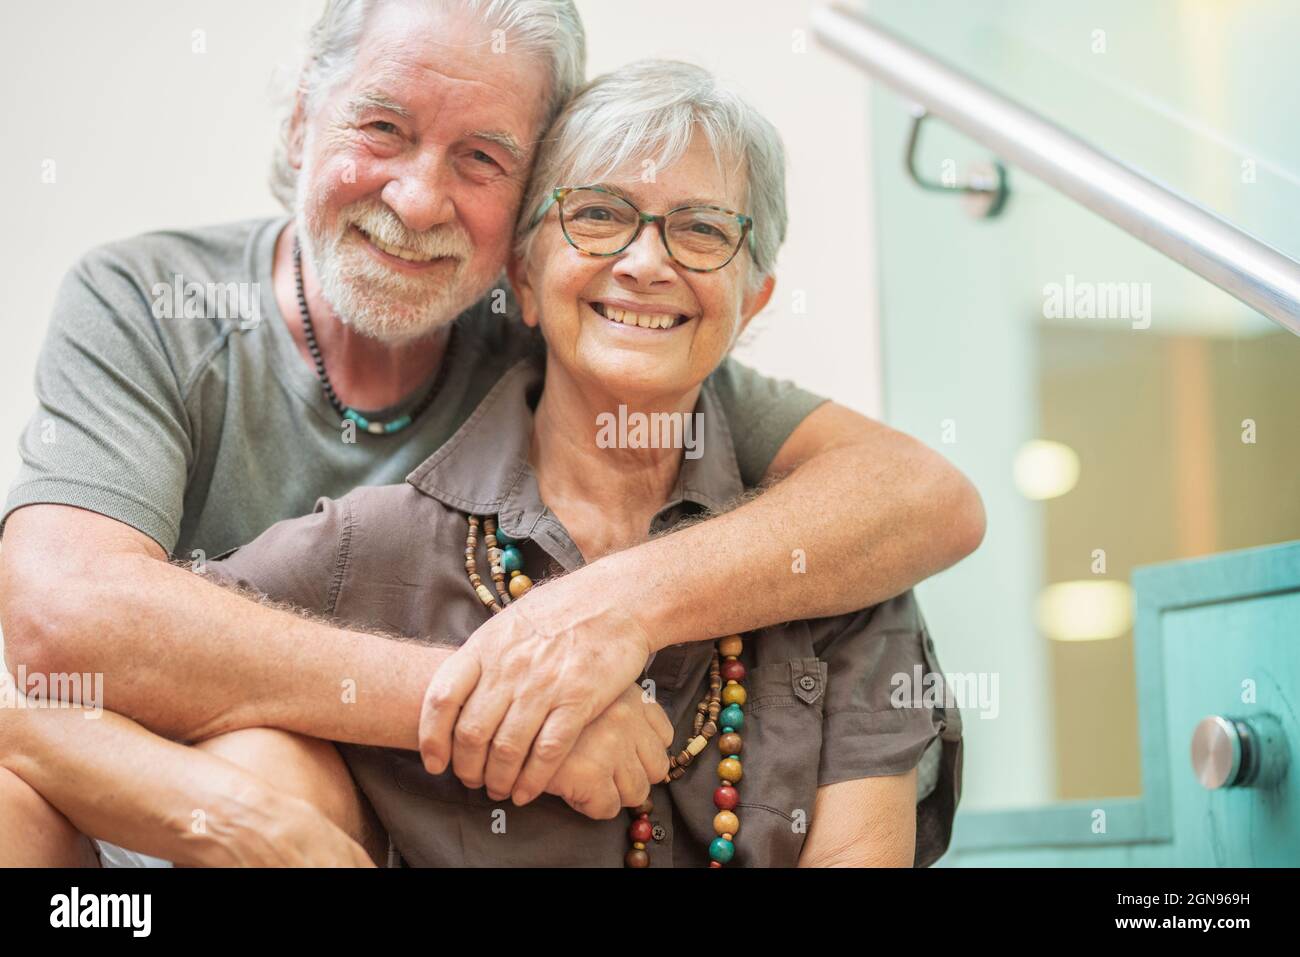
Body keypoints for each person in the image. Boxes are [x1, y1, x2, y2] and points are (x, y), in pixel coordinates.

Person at [0, 0, 981, 866]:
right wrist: (502, 704)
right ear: (303, 117)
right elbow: (60, 629)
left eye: (481, 157)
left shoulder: (578, 336)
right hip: (179, 787)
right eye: (382, 126)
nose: (419, 200)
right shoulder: (156, 305)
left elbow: (922, 496)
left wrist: (609, 609)